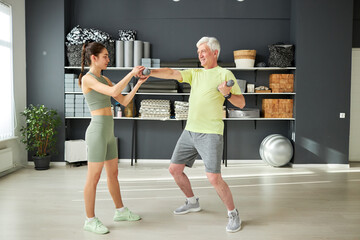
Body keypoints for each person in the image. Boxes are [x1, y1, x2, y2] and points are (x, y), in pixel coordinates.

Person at [139, 37, 245, 233]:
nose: (200, 55)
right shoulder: (195, 73)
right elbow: (171, 73)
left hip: (211, 133)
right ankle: (192, 201)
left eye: (203, 51)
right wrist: (150, 73)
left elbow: (241, 104)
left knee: (213, 178)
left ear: (215, 53)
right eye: (198, 52)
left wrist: (227, 94)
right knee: (174, 169)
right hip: (190, 131)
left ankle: (233, 213)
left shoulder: (224, 73)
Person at [79, 42, 149, 234]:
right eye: (105, 56)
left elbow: (124, 100)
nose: (108, 60)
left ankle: (120, 211)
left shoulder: (106, 79)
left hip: (108, 132)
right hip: (96, 133)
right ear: (94, 58)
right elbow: (113, 92)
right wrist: (131, 72)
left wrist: (138, 83)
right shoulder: (88, 79)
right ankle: (90, 219)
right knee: (93, 178)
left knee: (113, 174)